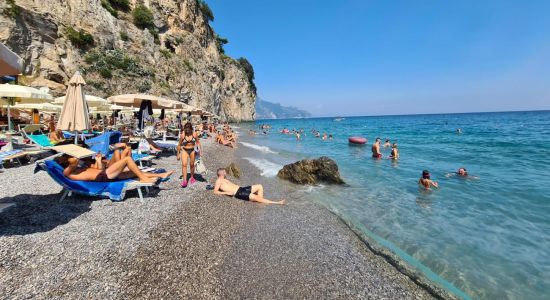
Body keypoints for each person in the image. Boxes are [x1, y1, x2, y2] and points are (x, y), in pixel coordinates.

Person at [56, 155, 173, 183]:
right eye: (61, 158)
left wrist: (97, 160)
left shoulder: (79, 167)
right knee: (127, 159)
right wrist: (72, 159)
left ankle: (160, 176)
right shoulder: (67, 172)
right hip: (103, 176)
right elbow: (73, 163)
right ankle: (143, 178)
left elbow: (97, 168)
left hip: (104, 173)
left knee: (133, 172)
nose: (63, 157)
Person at [213, 168, 285, 205]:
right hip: (239, 193)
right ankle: (277, 202)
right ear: (222, 173)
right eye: (225, 172)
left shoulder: (224, 179)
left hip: (242, 189)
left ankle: (259, 200)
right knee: (257, 197)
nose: (226, 173)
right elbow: (215, 191)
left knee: (259, 186)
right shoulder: (218, 181)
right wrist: (226, 193)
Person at [177, 122, 202, 187]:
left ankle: (192, 177)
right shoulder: (183, 135)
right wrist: (178, 154)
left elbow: (198, 142)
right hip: (184, 150)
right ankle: (185, 180)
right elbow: (179, 145)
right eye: (186, 130)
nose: (187, 132)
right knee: (184, 164)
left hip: (192, 150)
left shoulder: (194, 134)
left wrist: (200, 151)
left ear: (191, 129)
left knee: (191, 164)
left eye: (188, 130)